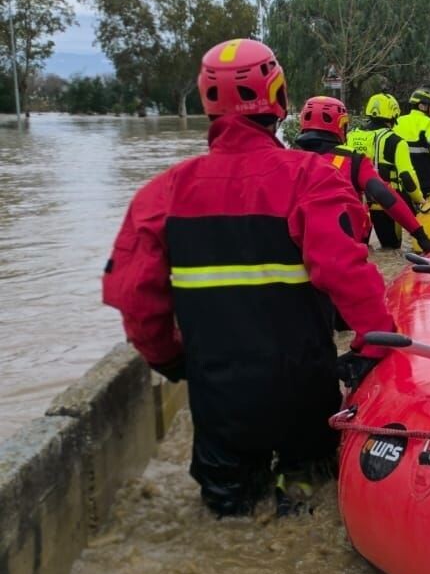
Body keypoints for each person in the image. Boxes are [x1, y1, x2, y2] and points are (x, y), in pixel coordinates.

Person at [102, 39, 392, 519]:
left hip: (219, 400)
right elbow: (349, 271)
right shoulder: (312, 179)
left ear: (206, 103)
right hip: (304, 392)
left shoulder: (161, 194)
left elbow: (134, 299)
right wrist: (372, 345)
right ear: (278, 98)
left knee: (228, 517)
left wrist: (172, 359)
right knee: (308, 503)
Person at [293, 95, 430, 255]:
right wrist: (420, 235)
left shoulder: (287, 160)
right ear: (340, 125)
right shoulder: (355, 160)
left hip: (299, 245)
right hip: (352, 235)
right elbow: (387, 191)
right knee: (390, 250)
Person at [345, 93, 421, 247]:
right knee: (391, 250)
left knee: (358, 249)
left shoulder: (350, 135)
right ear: (393, 114)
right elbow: (407, 176)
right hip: (386, 204)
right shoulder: (396, 141)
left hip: (356, 204)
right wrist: (419, 199)